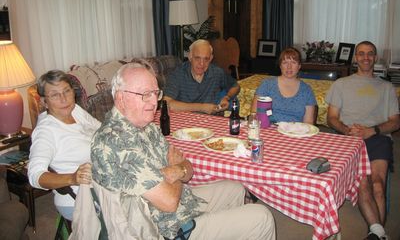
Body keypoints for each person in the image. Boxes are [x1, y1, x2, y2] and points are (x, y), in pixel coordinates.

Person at [91, 62, 276, 240]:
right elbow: (170, 202)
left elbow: (187, 170)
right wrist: (176, 168)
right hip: (167, 228)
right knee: (262, 217)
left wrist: (177, 170)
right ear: (121, 98)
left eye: (156, 93)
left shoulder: (147, 127)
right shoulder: (115, 141)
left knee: (235, 188)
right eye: (145, 94)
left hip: (182, 202)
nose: (154, 101)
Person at [325, 41, 400, 240]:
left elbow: (395, 122)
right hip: (349, 139)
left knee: (377, 183)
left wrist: (372, 130)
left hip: (378, 138)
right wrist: (347, 130)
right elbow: (331, 118)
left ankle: (375, 233)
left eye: (370, 54)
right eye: (361, 54)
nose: (365, 57)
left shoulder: (387, 87)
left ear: (375, 58)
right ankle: (379, 234)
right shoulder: (341, 84)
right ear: (355, 57)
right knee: (362, 182)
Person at [28, 70, 101, 221]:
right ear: (43, 101)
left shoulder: (75, 110)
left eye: (66, 91)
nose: (64, 99)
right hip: (80, 199)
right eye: (55, 95)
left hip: (105, 183)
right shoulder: (46, 131)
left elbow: (102, 130)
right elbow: (35, 176)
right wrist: (72, 178)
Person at [164, 39, 240, 114]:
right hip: (186, 120)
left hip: (211, 121)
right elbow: (167, 103)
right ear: (190, 56)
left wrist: (226, 97)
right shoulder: (178, 74)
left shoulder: (217, 72)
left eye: (206, 59)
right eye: (197, 58)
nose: (202, 64)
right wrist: (201, 107)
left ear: (211, 58)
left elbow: (235, 86)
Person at [251, 47, 316, 124]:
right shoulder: (267, 84)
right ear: (280, 66)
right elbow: (254, 113)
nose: (289, 67)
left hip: (295, 132)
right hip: (269, 130)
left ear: (299, 66)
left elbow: (308, 122)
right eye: (285, 63)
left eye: (293, 62)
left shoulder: (307, 90)